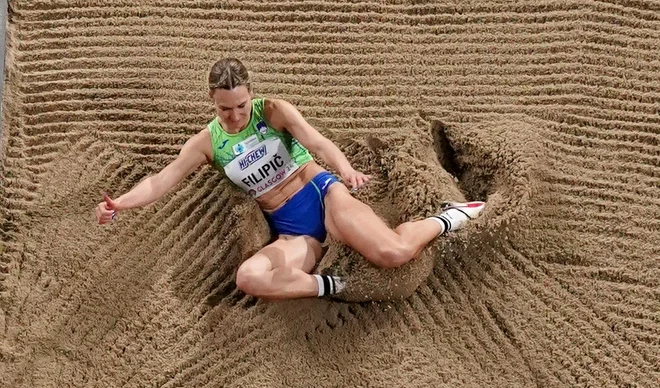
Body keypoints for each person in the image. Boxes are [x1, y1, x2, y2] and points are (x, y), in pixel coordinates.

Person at [95, 58, 485, 301]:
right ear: (212, 102)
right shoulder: (207, 142)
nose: (234, 115)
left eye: (241, 105)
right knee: (249, 278)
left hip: (323, 194)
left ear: (252, 95)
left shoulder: (273, 110)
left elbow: (314, 139)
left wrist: (344, 168)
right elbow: (161, 180)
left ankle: (444, 218)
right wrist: (120, 204)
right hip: (294, 232)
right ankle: (332, 286)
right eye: (224, 108)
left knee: (394, 254)